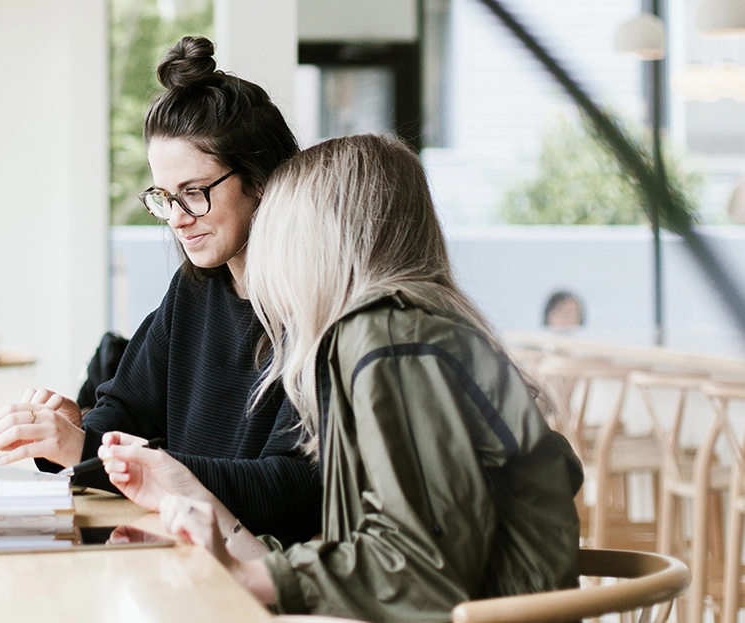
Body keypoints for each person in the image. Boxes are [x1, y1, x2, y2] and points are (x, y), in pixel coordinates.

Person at [100, 134, 584, 620]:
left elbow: (418, 574)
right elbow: (384, 570)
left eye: (281, 234)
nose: (270, 258)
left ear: (323, 239)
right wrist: (184, 492)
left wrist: (246, 575)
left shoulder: (390, 344)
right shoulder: (403, 332)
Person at [0, 35, 322, 545]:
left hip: (251, 576)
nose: (178, 220)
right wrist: (75, 430)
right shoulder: (195, 289)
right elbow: (124, 410)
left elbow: (291, 489)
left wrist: (91, 446)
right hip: (181, 552)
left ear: (263, 178)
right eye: (164, 197)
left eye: (195, 193)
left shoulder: (320, 310)